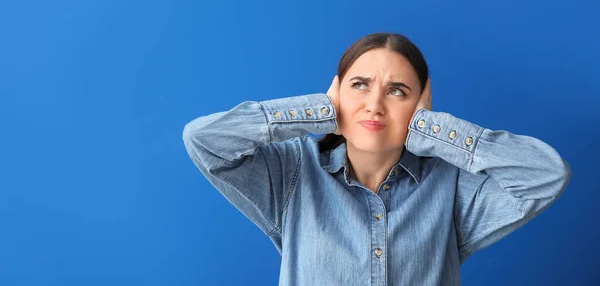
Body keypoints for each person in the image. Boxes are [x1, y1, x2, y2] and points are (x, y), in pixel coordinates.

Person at [182, 32, 571, 286]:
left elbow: (546, 174)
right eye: (359, 85)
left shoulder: (451, 187)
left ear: (420, 105)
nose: (374, 105)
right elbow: (205, 139)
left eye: (398, 91)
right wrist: (319, 111)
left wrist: (431, 129)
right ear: (337, 94)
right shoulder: (292, 172)